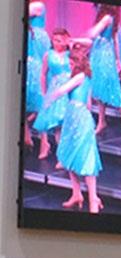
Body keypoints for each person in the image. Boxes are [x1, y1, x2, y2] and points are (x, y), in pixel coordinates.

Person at [49, 50, 103, 214]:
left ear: (78, 64)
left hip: (80, 120)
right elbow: (87, 102)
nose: (70, 66)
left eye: (72, 63)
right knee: (68, 155)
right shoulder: (78, 77)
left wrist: (47, 99)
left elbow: (62, 90)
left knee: (86, 158)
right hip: (72, 119)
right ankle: (77, 193)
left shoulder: (80, 77)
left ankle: (93, 198)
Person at [86, 5, 121, 137]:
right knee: (98, 87)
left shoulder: (107, 18)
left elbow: (95, 34)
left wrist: (117, 59)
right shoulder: (109, 17)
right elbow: (116, 40)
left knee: (114, 88)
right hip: (98, 53)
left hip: (103, 53)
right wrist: (117, 59)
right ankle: (102, 121)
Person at [33, 27, 70, 160]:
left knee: (68, 121)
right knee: (57, 123)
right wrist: (43, 93)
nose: (57, 43)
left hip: (69, 88)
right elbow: (43, 74)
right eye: (55, 40)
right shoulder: (48, 55)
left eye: (60, 41)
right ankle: (61, 155)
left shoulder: (70, 54)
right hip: (56, 89)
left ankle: (68, 153)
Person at [25, 1, 51, 148]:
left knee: (38, 73)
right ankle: (28, 136)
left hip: (37, 40)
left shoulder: (37, 5)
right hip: (30, 37)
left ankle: (44, 141)